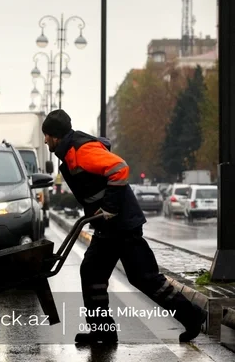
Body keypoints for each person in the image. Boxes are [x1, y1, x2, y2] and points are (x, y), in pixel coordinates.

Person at [41, 109, 207, 344]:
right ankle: (103, 331)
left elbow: (119, 168)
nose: (45, 140)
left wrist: (109, 207)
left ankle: (192, 315)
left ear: (54, 135)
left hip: (121, 225)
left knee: (144, 277)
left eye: (46, 135)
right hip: (108, 226)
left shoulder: (81, 150)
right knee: (92, 273)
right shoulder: (69, 152)